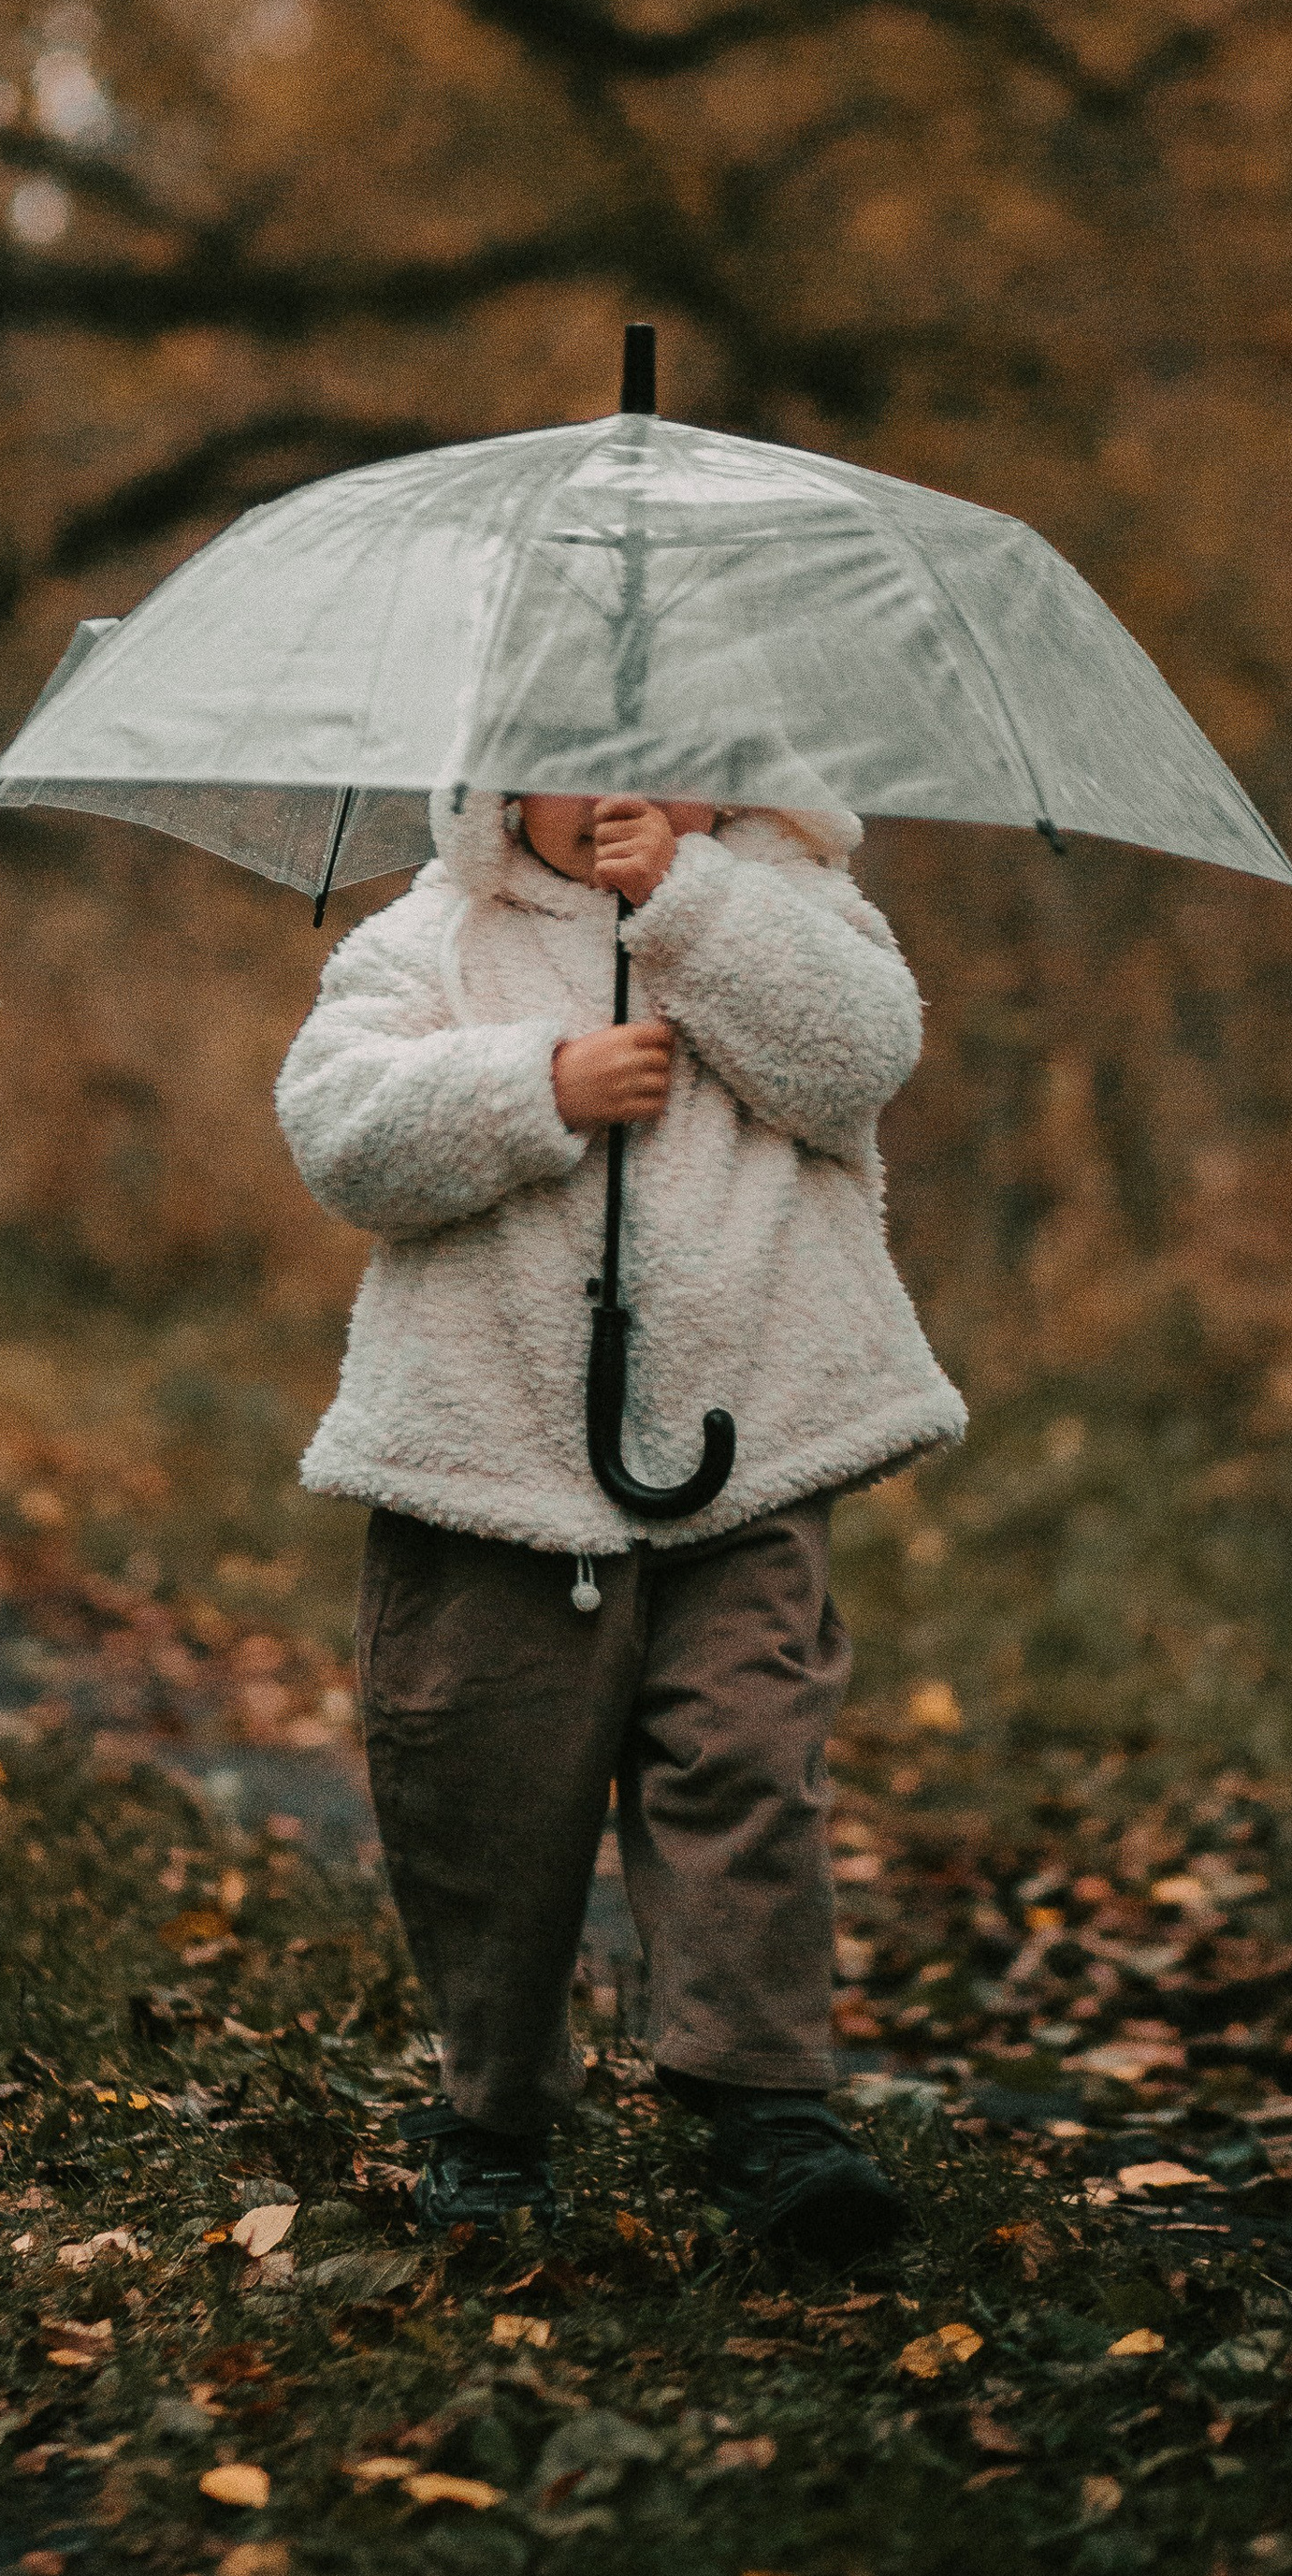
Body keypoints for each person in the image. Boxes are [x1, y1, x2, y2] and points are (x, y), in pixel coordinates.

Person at [275, 783, 966, 2262]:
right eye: (568, 758)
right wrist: (537, 1084)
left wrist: (696, 912)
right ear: (492, 783)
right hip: (487, 1448)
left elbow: (855, 1062)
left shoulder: (791, 905)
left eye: (664, 756)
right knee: (483, 1784)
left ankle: (762, 2102)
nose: (617, 791)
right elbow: (339, 1133)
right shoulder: (435, 935)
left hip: (749, 1434)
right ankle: (496, 2111)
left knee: (747, 1760)